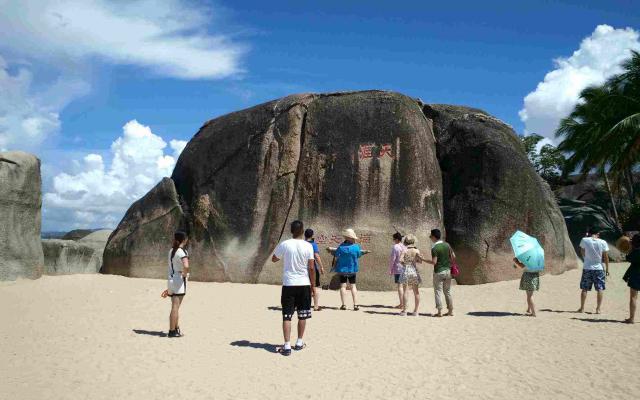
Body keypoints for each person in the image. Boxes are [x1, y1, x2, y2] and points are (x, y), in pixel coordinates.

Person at [272, 220, 315, 356]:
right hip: (304, 283)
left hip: (289, 284)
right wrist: (313, 286)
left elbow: (274, 259)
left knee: (287, 316)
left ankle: (286, 346)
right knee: (302, 315)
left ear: (291, 230)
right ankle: (299, 342)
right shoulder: (308, 246)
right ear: (302, 231)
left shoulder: (285, 244)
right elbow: (312, 267)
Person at [329, 228, 369, 311]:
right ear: (351, 238)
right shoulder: (356, 247)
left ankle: (343, 305)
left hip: (342, 270)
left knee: (343, 286)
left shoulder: (341, 247)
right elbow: (358, 255)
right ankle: (356, 304)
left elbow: (336, 256)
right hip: (352, 269)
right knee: (353, 286)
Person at [577, 227, 610, 314]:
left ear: (589, 233)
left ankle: (582, 308)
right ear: (598, 233)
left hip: (587, 267)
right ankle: (598, 309)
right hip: (599, 268)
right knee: (600, 288)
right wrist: (607, 269)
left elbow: (582, 251)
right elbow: (606, 257)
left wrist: (585, 258)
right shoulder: (603, 242)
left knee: (584, 289)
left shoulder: (584, 240)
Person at [426, 229, 454, 317]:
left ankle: (439, 312)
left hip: (438, 272)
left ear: (434, 237)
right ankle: (450, 311)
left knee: (438, 291)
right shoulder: (447, 245)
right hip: (448, 271)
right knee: (448, 291)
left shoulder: (434, 248)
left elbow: (434, 262)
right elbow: (453, 256)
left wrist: (423, 260)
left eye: (431, 236)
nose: (430, 238)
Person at [166, 231, 190, 338]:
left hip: (171, 279)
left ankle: (176, 328)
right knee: (175, 307)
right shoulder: (181, 252)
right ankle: (172, 331)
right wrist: (185, 274)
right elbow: (186, 265)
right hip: (178, 280)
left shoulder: (171, 250)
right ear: (184, 240)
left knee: (174, 306)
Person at [398, 234, 425, 316]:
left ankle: (405, 311)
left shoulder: (405, 250)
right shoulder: (417, 250)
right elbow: (420, 261)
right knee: (416, 291)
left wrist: (404, 263)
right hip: (414, 270)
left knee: (405, 290)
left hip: (406, 269)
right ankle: (416, 311)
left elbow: (400, 260)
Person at [304, 228, 326, 311]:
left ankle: (306, 304)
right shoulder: (313, 244)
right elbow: (316, 256)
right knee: (314, 287)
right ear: (312, 235)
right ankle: (316, 306)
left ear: (304, 235)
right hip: (312, 268)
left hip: (302, 268)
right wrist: (321, 266)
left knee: (304, 287)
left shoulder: (301, 244)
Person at [622, 234, 640, 324]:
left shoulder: (635, 252)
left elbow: (628, 258)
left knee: (633, 297)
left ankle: (632, 318)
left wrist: (630, 248)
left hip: (635, 275)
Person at [388, 232, 406, 309]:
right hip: (405, 268)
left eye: (394, 239)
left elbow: (393, 259)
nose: (393, 240)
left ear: (396, 239)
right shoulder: (405, 246)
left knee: (400, 286)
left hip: (398, 268)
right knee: (404, 287)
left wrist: (390, 269)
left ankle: (401, 304)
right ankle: (404, 303)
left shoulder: (395, 247)